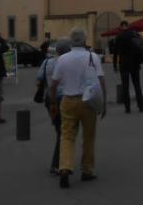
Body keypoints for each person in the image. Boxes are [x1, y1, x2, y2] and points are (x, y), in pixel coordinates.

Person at [49, 27, 106, 188]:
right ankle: (87, 170)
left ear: (70, 41)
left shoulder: (63, 59)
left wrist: (53, 103)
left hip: (68, 100)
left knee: (67, 136)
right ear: (85, 40)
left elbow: (53, 85)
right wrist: (103, 103)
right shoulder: (93, 57)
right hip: (88, 102)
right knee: (88, 137)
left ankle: (65, 168)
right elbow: (101, 81)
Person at [40, 38, 72, 174]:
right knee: (63, 132)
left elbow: (38, 79)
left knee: (60, 130)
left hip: (49, 100)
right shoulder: (68, 62)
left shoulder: (47, 62)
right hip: (63, 99)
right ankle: (58, 164)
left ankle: (59, 163)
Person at [115, 20, 143, 114]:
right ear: (128, 26)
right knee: (137, 85)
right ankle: (141, 106)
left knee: (125, 86)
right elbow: (141, 47)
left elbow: (116, 52)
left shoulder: (119, 36)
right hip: (135, 63)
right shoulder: (135, 34)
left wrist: (114, 64)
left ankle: (127, 108)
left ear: (121, 27)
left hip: (124, 63)